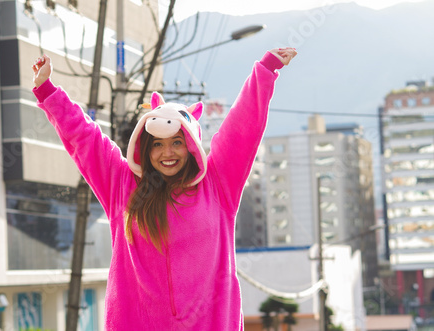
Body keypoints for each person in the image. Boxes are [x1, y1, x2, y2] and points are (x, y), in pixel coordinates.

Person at [32, 47, 296, 331]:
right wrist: (47, 91)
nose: (167, 153)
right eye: (157, 144)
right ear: (145, 147)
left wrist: (265, 71)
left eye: (177, 142)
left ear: (192, 145)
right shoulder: (121, 185)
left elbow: (242, 128)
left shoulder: (218, 185)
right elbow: (85, 138)